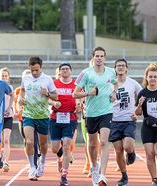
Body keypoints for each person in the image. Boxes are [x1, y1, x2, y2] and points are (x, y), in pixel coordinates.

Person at [73, 47, 118, 185]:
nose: (99, 58)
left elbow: (116, 85)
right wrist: (88, 93)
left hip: (106, 111)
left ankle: (102, 175)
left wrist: (114, 93)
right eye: (97, 56)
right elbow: (75, 93)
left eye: (101, 56)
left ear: (105, 58)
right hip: (91, 113)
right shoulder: (85, 73)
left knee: (104, 142)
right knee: (92, 144)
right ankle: (94, 167)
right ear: (93, 57)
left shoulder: (111, 72)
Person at [18, 56, 58, 181]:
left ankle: (43, 161)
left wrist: (47, 94)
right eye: (32, 70)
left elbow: (56, 96)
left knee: (43, 144)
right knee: (29, 142)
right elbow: (22, 92)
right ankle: (32, 167)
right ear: (29, 68)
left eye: (37, 70)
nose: (34, 73)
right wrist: (21, 99)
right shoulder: (25, 78)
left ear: (41, 67)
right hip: (28, 115)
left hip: (42, 115)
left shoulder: (47, 79)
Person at [109, 59, 142, 186]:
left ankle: (131, 152)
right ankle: (124, 176)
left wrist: (137, 112)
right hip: (114, 121)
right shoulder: (111, 84)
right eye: (118, 66)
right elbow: (107, 100)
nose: (121, 68)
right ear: (115, 69)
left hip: (129, 120)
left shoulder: (133, 83)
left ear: (127, 68)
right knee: (118, 151)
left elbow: (143, 96)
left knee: (127, 146)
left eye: (123, 66)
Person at [49, 63, 81, 186]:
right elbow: (47, 98)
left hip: (70, 118)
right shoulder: (54, 83)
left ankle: (64, 175)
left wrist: (79, 105)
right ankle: (62, 150)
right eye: (62, 69)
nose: (65, 71)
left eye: (67, 69)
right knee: (55, 149)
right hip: (55, 118)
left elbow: (80, 98)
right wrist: (53, 102)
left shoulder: (76, 84)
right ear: (60, 71)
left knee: (67, 146)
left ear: (70, 71)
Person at [13, 70, 40, 170]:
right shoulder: (18, 90)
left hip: (34, 118)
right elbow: (16, 102)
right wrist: (17, 111)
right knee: (27, 141)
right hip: (22, 119)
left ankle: (35, 163)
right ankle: (31, 160)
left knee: (33, 141)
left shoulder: (36, 88)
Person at [0, 67, 14, 172]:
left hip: (8, 116)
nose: (4, 77)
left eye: (5, 76)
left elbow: (12, 98)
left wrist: (8, 108)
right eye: (2, 76)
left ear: (8, 78)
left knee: (6, 139)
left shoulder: (10, 87)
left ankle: (6, 161)